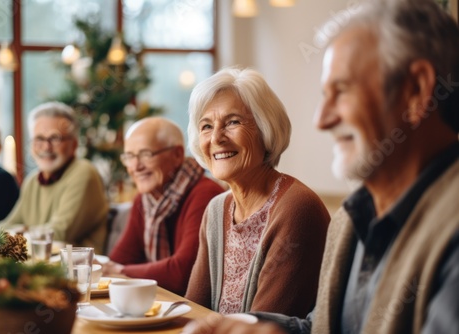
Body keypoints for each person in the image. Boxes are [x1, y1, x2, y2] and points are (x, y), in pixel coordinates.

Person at [182, 0, 459, 333]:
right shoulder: (350, 220)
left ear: (416, 90)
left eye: (341, 91)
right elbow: (324, 326)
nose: (321, 119)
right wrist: (269, 329)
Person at [184, 67, 330, 317]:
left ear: (266, 129)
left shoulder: (297, 209)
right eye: (206, 126)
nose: (216, 138)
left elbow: (265, 326)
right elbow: (193, 309)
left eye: (232, 122)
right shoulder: (216, 209)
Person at [103, 117, 225, 295]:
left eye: (146, 154)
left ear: (177, 154)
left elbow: (182, 273)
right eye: (129, 156)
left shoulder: (205, 194)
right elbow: (120, 258)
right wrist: (111, 268)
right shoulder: (144, 200)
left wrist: (120, 271)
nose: (135, 166)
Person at [0, 102, 109, 253]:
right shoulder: (33, 180)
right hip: (36, 266)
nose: (46, 147)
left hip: (75, 271)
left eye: (55, 138)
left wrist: (21, 231)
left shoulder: (84, 172)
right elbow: (7, 225)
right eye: (39, 139)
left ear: (74, 144)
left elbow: (59, 233)